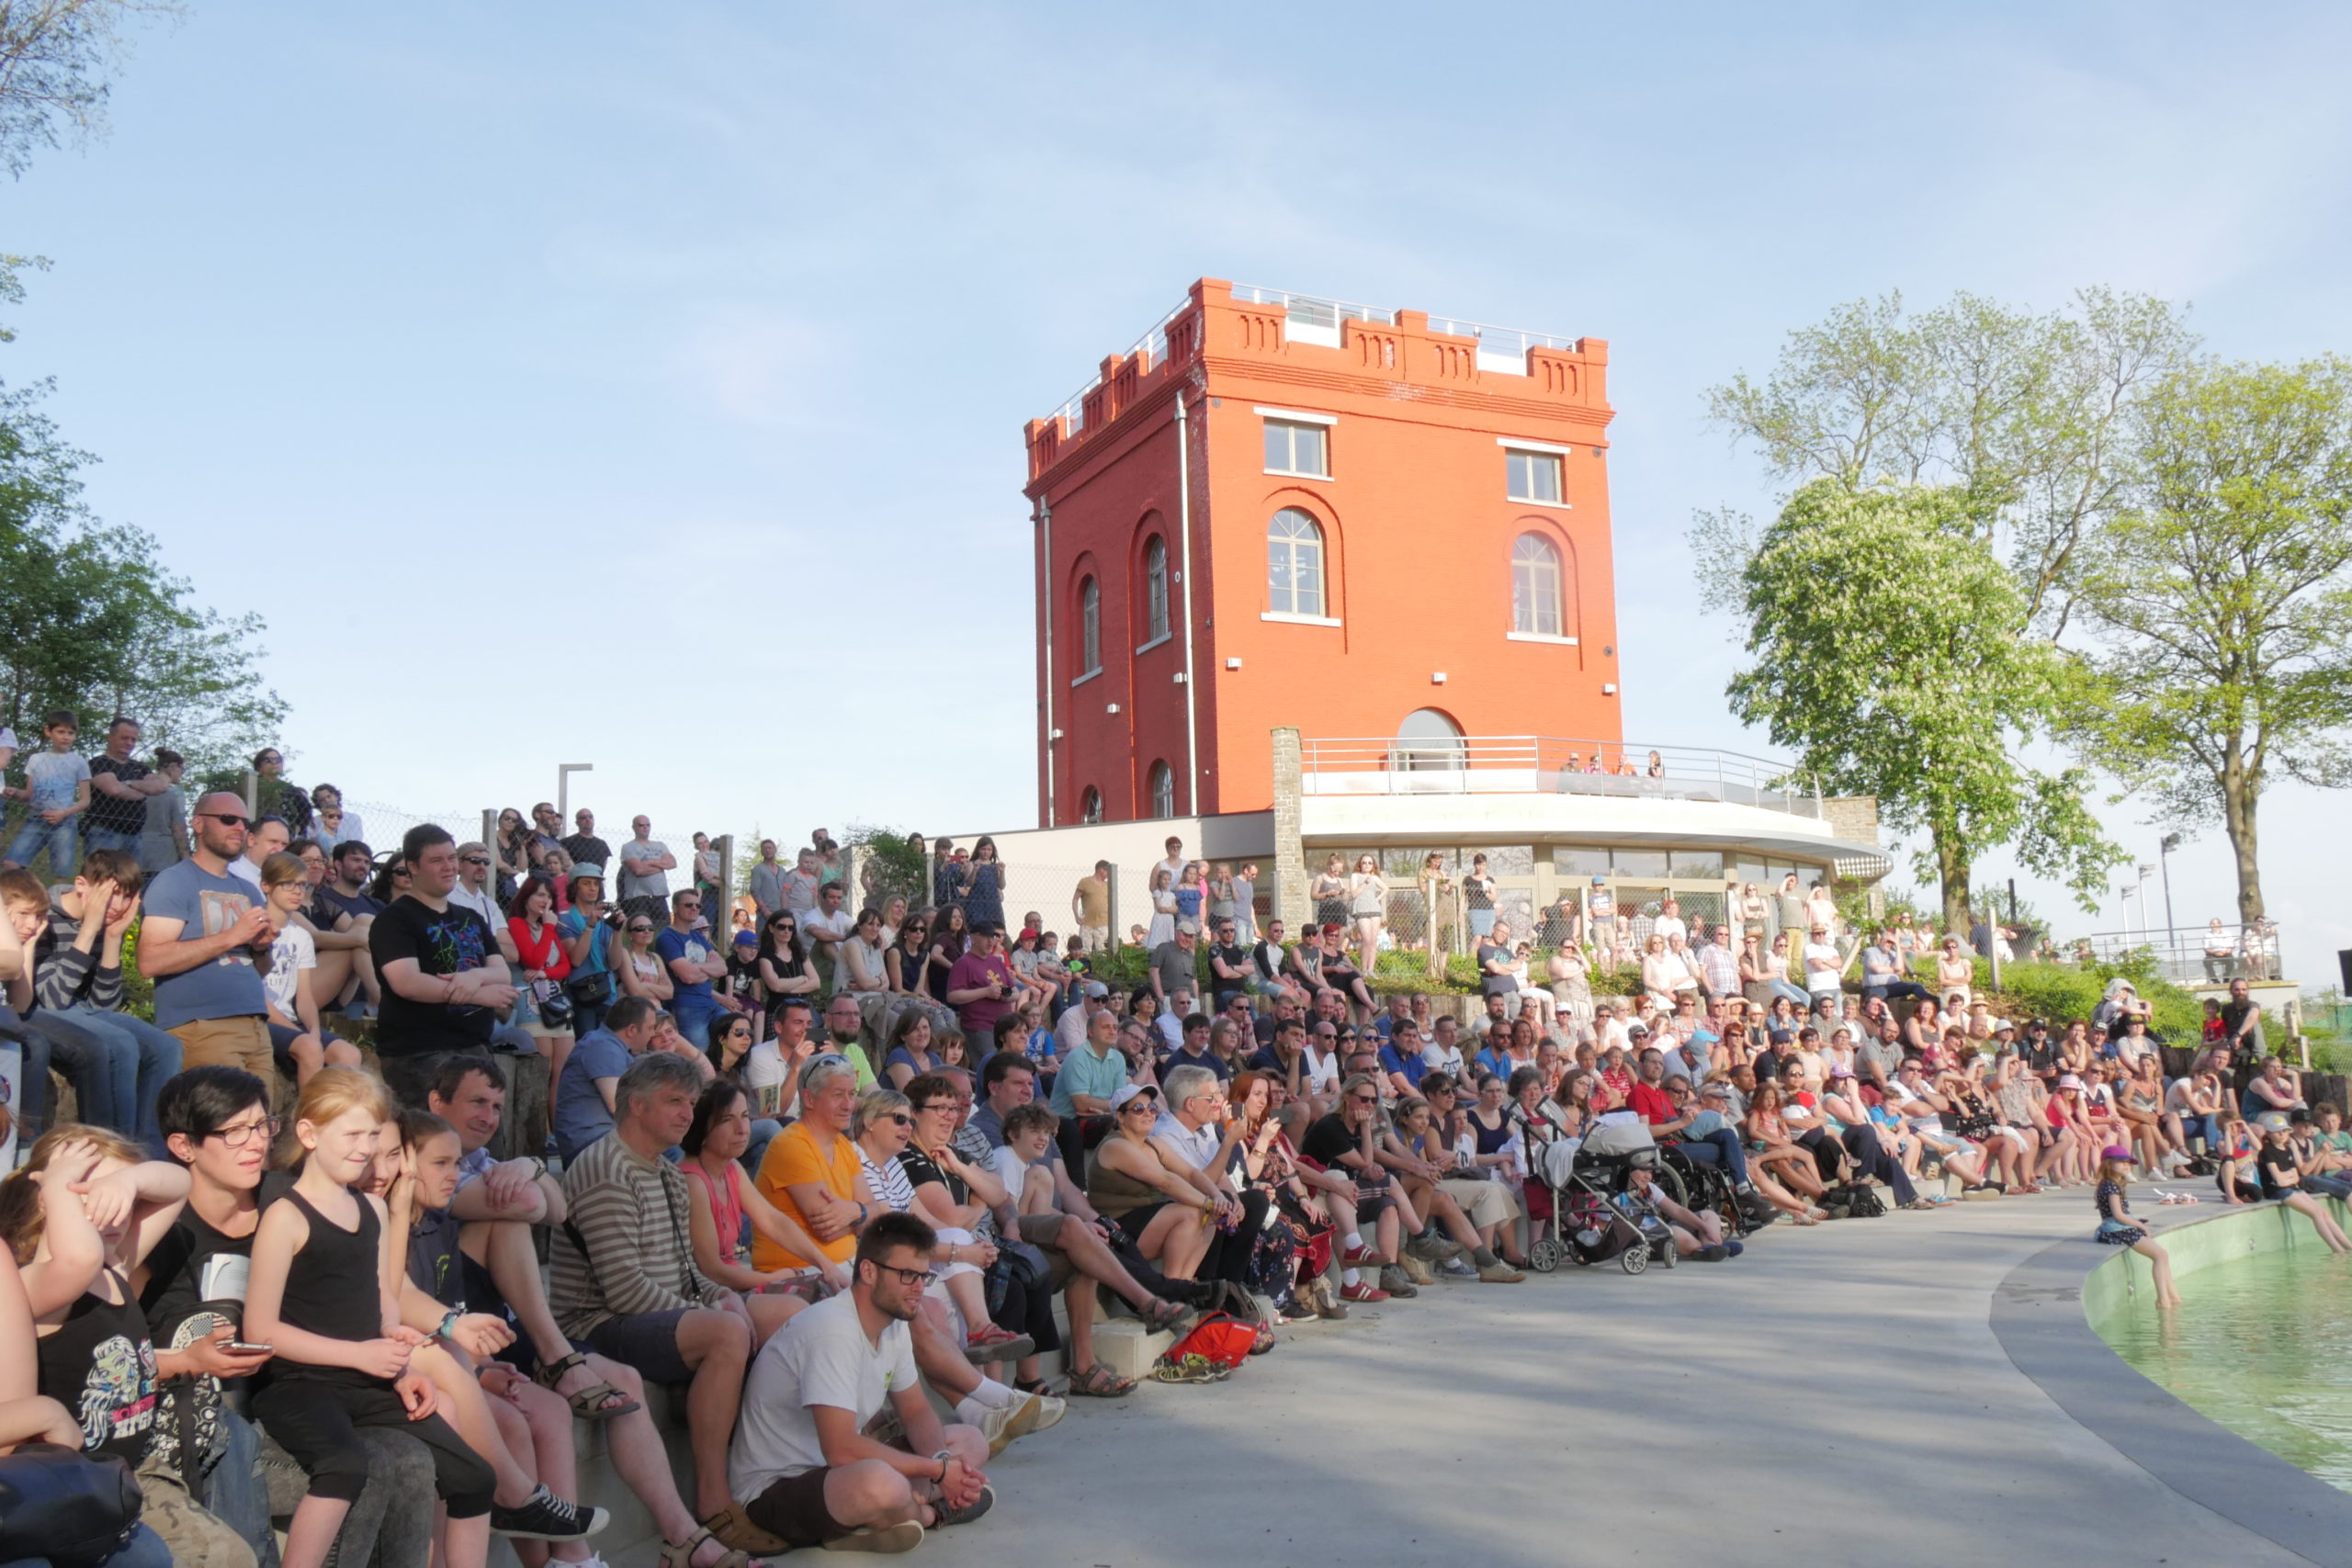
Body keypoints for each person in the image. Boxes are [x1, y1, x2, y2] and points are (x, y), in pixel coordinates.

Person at [243, 1069, 497, 1568]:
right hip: (301, 1384)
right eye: (352, 1135)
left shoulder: (371, 1210)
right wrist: (360, 1354)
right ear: (310, 1134)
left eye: (373, 1136)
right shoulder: (286, 1216)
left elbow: (381, 1302)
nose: (364, 1148)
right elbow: (261, 1331)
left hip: (365, 1381)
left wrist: (398, 1356)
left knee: (475, 1478)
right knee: (344, 1465)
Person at [550, 1053, 770, 1538]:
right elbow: (625, 1292)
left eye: (691, 1103)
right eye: (675, 1101)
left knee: (779, 1313)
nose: (688, 1115)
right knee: (726, 1332)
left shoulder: (666, 1172)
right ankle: (714, 1502)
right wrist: (711, 1310)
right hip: (596, 1325)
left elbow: (690, 1270)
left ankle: (771, 1473)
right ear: (635, 1105)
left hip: (655, 1315)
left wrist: (721, 1295)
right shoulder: (606, 1167)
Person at [726, 1211, 994, 1553]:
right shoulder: (831, 1329)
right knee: (882, 1485)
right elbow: (840, 1448)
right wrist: (937, 1473)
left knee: (971, 1441)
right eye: (907, 1275)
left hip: (839, 1472)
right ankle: (928, 1513)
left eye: (923, 1277)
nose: (918, 1289)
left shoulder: (894, 1322)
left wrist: (943, 1461)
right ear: (868, 1270)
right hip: (778, 1490)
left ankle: (886, 1518)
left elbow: (914, 1411)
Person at [368, 825, 519, 1106]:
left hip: (476, 1047)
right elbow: (407, 982)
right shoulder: (395, 919)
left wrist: (474, 977)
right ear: (413, 866)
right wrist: (478, 994)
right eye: (437, 861)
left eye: (452, 858)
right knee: (437, 1144)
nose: (449, 867)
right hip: (420, 1052)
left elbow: (501, 973)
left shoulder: (471, 917)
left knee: (484, 1144)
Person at [136, 791, 277, 1082]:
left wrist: (261, 950)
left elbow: (259, 970)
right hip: (203, 1027)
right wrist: (231, 936)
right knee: (222, 1123)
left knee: (260, 1125)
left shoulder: (249, 890)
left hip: (256, 1029)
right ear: (198, 824)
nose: (239, 827)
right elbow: (149, 962)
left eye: (244, 822)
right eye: (228, 819)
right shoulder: (173, 881)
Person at [256, 851, 364, 1088]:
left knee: (349, 1055)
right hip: (261, 1018)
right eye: (288, 884)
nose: (297, 891)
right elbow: (255, 996)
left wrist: (314, 1030)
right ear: (266, 885)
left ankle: (334, 1119)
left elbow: (305, 997)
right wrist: (302, 1035)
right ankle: (309, 1120)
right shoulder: (253, 928)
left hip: (293, 1020)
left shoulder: (301, 936)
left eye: (302, 885)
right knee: (311, 1049)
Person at [2092, 1147, 2181, 1306]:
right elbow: (2118, 1215)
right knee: (2159, 1255)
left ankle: (2173, 1296)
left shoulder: (2113, 1184)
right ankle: (2162, 1299)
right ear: (2108, 1164)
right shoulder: (2111, 1186)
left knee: (2162, 1255)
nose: (2126, 1166)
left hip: (2120, 1227)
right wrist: (2140, 1225)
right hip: (2116, 1230)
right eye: (2121, 1162)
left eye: (2128, 1162)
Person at [660, 888, 741, 1050]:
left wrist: (696, 968)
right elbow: (688, 976)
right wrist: (707, 970)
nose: (694, 908)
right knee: (697, 1055)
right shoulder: (667, 937)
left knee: (734, 1037)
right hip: (688, 1006)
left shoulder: (697, 936)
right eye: (689, 905)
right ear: (675, 908)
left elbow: (723, 968)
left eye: (698, 906)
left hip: (710, 1002)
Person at [139, 748, 190, 876]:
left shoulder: (141, 788)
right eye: (181, 770)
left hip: (138, 851)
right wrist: (185, 855)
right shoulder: (176, 792)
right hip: (164, 856)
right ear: (173, 767)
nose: (181, 774)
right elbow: (179, 827)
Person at [616, 817, 676, 924]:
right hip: (638, 898)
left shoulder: (660, 845)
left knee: (662, 928)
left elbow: (672, 864)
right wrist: (661, 865)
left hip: (660, 896)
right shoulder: (628, 847)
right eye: (641, 825)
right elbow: (638, 870)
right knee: (640, 929)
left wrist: (650, 862)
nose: (645, 828)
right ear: (634, 827)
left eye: (648, 825)